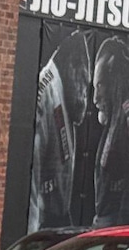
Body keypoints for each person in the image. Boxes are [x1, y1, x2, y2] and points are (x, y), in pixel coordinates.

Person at [29, 30, 94, 230]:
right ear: (73, 69)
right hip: (41, 223)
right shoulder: (47, 93)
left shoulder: (62, 96)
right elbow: (33, 181)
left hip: (56, 220)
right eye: (84, 84)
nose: (85, 96)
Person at [92, 37, 129, 228]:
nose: (95, 98)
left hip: (116, 225)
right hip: (106, 221)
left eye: (100, 85)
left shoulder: (125, 118)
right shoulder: (114, 118)